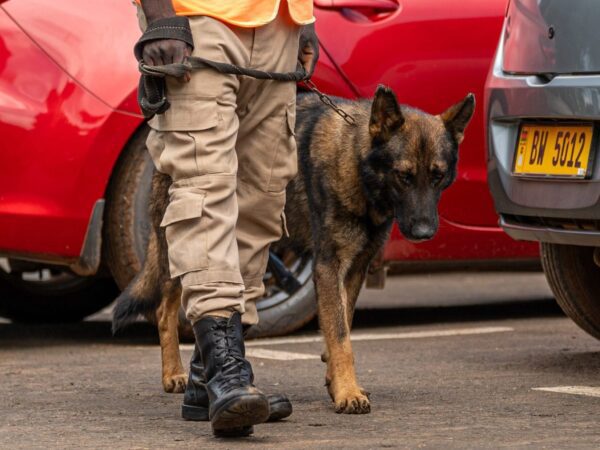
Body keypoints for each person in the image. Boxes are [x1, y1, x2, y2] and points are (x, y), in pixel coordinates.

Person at [134, 0, 319, 437]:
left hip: (280, 22)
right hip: (198, 17)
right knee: (204, 188)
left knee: (262, 197)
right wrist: (162, 19)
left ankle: (205, 379)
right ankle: (228, 374)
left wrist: (305, 19)